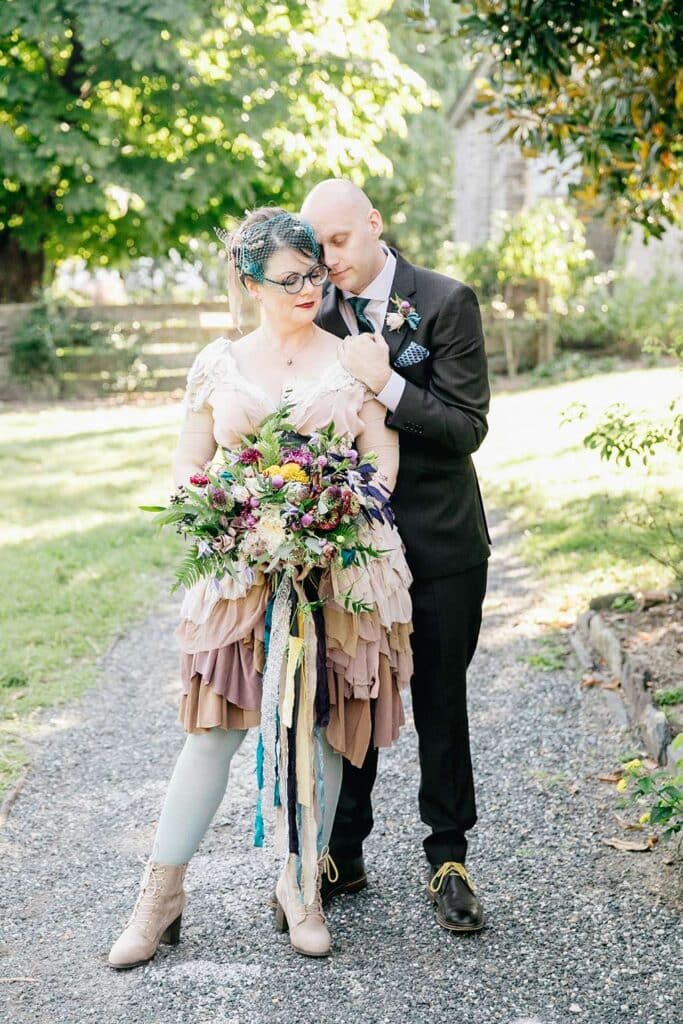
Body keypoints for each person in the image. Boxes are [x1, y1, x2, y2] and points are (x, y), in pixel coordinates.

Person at [107, 208, 413, 968]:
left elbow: (381, 460)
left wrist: (332, 510)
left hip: (340, 567)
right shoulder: (218, 364)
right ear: (249, 284)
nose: (309, 288)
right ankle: (161, 895)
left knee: (324, 727)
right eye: (289, 279)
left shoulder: (354, 359)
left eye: (314, 273)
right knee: (212, 732)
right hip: (241, 569)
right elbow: (188, 462)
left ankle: (301, 884)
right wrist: (229, 512)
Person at [300, 180, 491, 933]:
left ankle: (448, 857)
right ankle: (343, 852)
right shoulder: (311, 315)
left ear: (373, 225)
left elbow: (467, 426)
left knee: (440, 698)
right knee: (351, 697)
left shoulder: (445, 302)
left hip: (441, 542)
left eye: (339, 242)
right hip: (352, 550)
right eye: (315, 251)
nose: (328, 262)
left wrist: (389, 386)